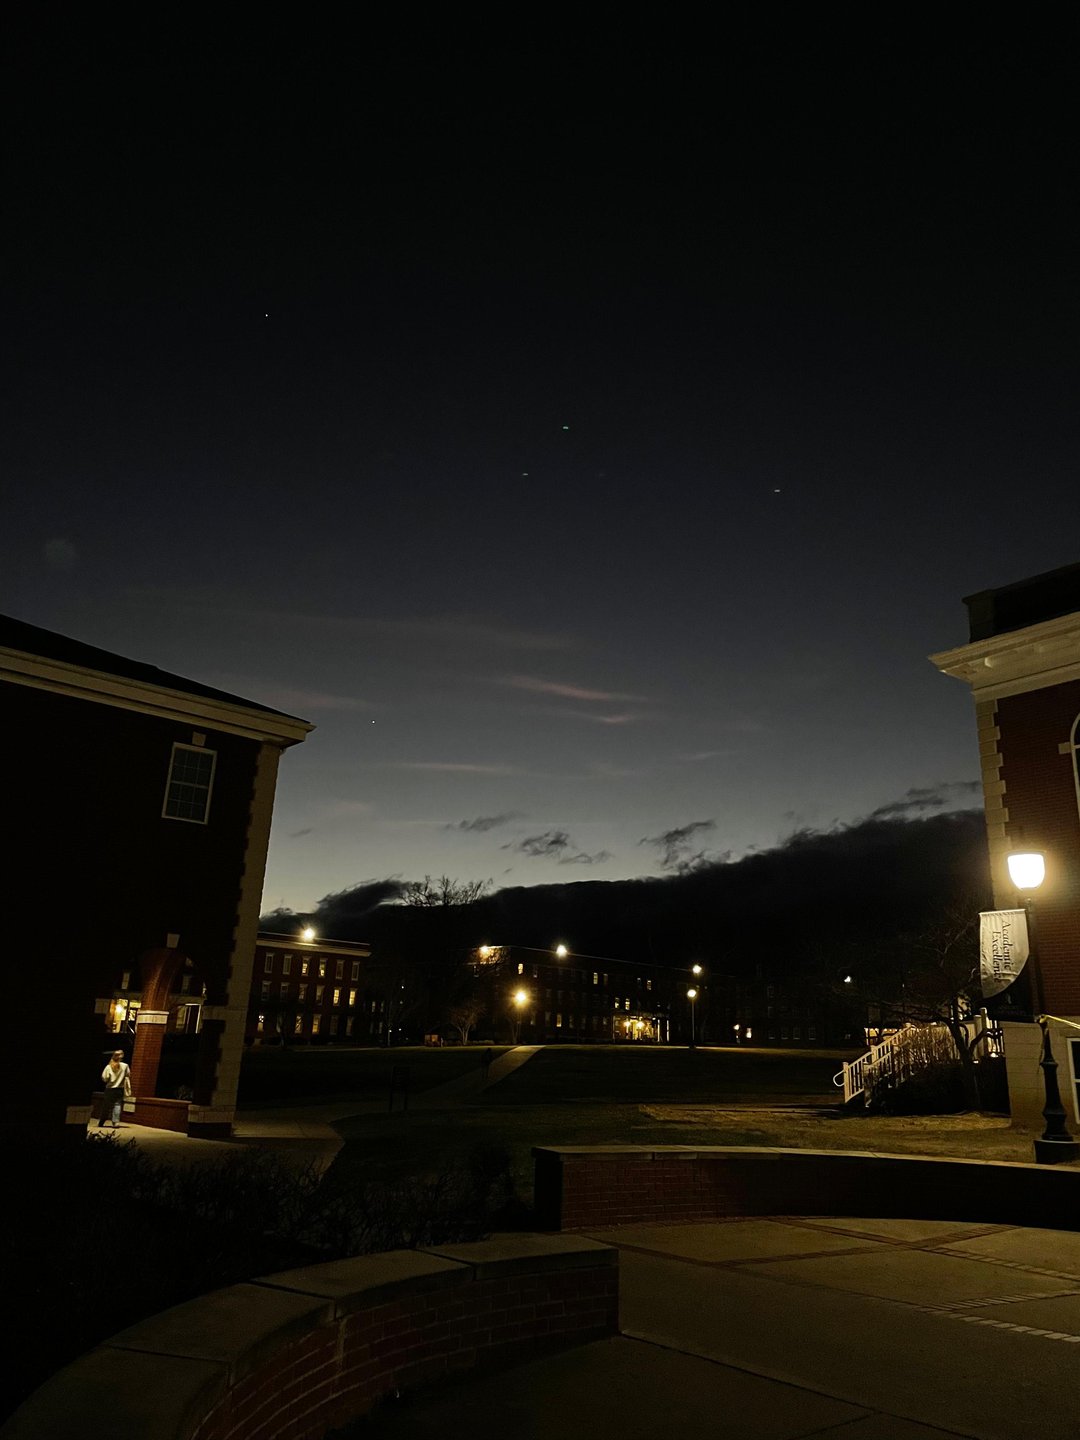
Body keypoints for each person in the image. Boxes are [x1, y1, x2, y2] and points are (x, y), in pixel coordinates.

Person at [99, 1050, 131, 1128]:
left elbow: (105, 1078)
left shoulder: (109, 1066)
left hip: (110, 1089)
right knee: (117, 1105)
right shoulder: (125, 1066)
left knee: (106, 1106)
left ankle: (102, 1121)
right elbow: (128, 1075)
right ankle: (115, 1122)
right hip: (120, 1089)